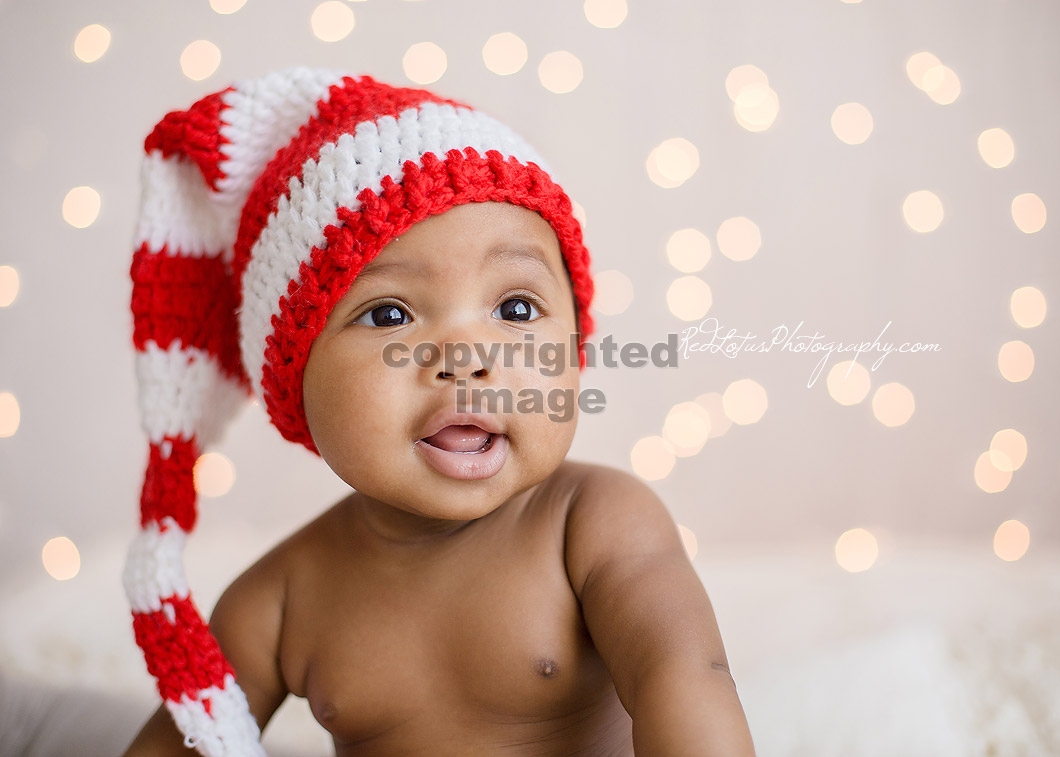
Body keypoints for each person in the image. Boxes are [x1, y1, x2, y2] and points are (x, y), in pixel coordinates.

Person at [122, 68, 755, 756]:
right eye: (389, 314)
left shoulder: (594, 522)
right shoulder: (282, 597)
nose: (464, 356)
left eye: (515, 308)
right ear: (296, 382)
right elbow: (182, 738)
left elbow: (687, 676)